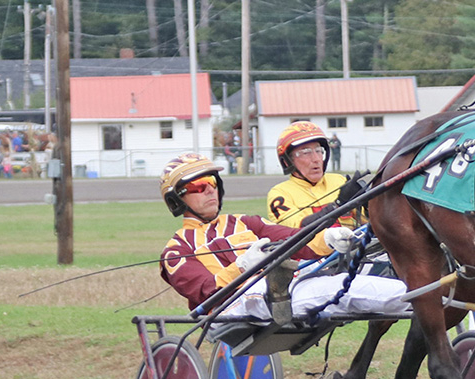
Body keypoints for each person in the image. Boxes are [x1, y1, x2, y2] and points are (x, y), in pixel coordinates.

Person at [158, 152, 408, 319]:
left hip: (280, 290)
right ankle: (424, 300)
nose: (210, 190)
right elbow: (204, 291)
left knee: (351, 276)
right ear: (177, 199)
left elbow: (295, 239)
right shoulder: (175, 250)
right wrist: (242, 266)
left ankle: (425, 296)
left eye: (213, 182)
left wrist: (328, 239)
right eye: (198, 187)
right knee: (335, 287)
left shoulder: (244, 222)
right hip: (231, 305)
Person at [266, 121, 367, 255]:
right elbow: (298, 230)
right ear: (287, 161)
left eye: (319, 151)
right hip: (311, 262)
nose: (316, 159)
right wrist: (338, 205)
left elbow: (369, 221)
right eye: (306, 152)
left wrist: (368, 202)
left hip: (353, 255)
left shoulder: (339, 181)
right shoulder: (279, 194)